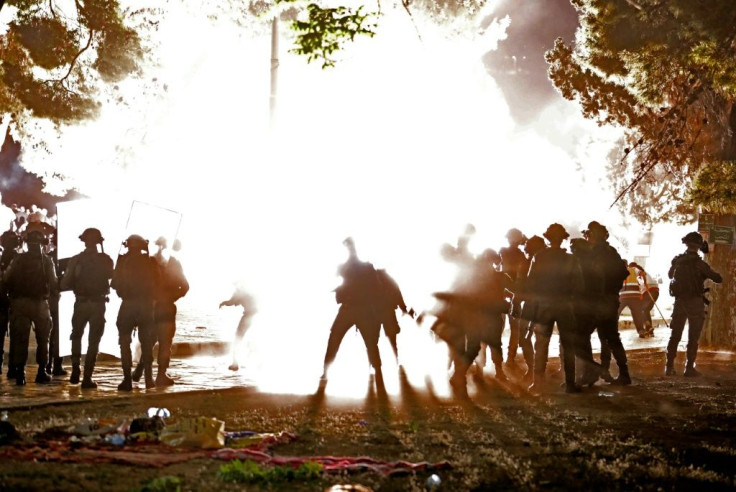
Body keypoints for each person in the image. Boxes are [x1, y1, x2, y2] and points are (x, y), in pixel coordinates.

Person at [525, 223, 583, 393]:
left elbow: (531, 283)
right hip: (565, 305)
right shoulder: (571, 259)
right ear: (563, 239)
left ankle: (537, 383)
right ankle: (570, 383)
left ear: (547, 239)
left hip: (543, 305)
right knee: (567, 345)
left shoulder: (538, 257)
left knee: (541, 344)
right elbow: (579, 285)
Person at [321, 237, 384, 385]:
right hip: (359, 309)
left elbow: (375, 289)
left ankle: (326, 372)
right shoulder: (364, 267)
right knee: (369, 343)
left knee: (336, 339)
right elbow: (376, 289)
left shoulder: (351, 267)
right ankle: (377, 372)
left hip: (352, 308)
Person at [2, 222, 58, 385]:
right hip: (40, 304)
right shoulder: (47, 261)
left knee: (20, 339)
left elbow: (6, 279)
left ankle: (20, 374)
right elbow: (54, 284)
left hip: (19, 303)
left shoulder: (18, 259)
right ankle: (42, 371)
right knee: (43, 339)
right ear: (42, 244)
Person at [59, 228, 114, 389]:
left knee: (76, 335)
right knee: (94, 341)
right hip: (98, 304)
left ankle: (76, 367)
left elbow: (65, 283)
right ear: (99, 242)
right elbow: (112, 277)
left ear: (84, 241)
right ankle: (87, 377)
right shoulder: (106, 259)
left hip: (81, 303)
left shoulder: (76, 260)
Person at [133, 237, 189, 386]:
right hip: (166, 307)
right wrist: (171, 297)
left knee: (149, 341)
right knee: (164, 343)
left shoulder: (148, 263)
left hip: (151, 307)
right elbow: (184, 286)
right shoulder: (173, 264)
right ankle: (160, 375)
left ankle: (140, 370)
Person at [665, 232, 722, 377]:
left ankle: (669, 367)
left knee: (675, 335)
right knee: (693, 337)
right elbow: (717, 278)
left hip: (679, 302)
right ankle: (689, 368)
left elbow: (670, 275)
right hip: (695, 303)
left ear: (686, 244)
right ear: (698, 246)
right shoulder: (700, 264)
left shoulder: (677, 260)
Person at [584, 221, 631, 385]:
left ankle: (593, 372)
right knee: (610, 338)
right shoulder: (611, 252)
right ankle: (622, 373)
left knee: (582, 337)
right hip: (610, 300)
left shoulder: (591, 253)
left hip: (594, 301)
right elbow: (624, 271)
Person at [111, 234, 159, 391]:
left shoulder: (123, 261)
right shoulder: (151, 262)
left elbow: (115, 284)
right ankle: (149, 380)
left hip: (128, 305)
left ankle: (127, 380)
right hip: (146, 306)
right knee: (146, 343)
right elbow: (158, 283)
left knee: (124, 343)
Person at [499, 228, 532, 372]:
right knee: (515, 329)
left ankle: (505, 359)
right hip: (514, 293)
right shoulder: (520, 255)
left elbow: (500, 270)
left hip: (503, 293)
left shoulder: (503, 252)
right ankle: (509, 359)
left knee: (501, 328)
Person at [375, 268, 415, 363]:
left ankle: (376, 364)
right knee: (392, 339)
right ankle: (394, 360)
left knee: (373, 340)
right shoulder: (389, 280)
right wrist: (404, 309)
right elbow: (398, 295)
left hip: (376, 313)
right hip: (388, 312)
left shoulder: (372, 280)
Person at [219, 284, 258, 371]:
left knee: (237, 338)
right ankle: (258, 361)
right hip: (257, 315)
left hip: (248, 315)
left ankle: (235, 363)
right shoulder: (250, 291)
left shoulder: (239, 292)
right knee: (255, 338)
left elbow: (232, 302)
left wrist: (223, 303)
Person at [0, 230, 21, 378]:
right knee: (17, 336)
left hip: (2, 301)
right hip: (15, 300)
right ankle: (13, 369)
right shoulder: (19, 259)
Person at [618, 262, 647, 337]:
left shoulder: (618, 271)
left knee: (615, 313)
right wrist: (643, 285)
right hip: (635, 296)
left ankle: (611, 331)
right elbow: (642, 274)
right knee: (637, 314)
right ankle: (641, 331)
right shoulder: (634, 269)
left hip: (623, 296)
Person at [640, 268, 660, 337]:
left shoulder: (636, 271)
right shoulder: (643, 272)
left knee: (642, 310)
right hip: (655, 291)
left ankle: (648, 327)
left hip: (649, 291)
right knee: (646, 310)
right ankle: (649, 329)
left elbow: (642, 275)